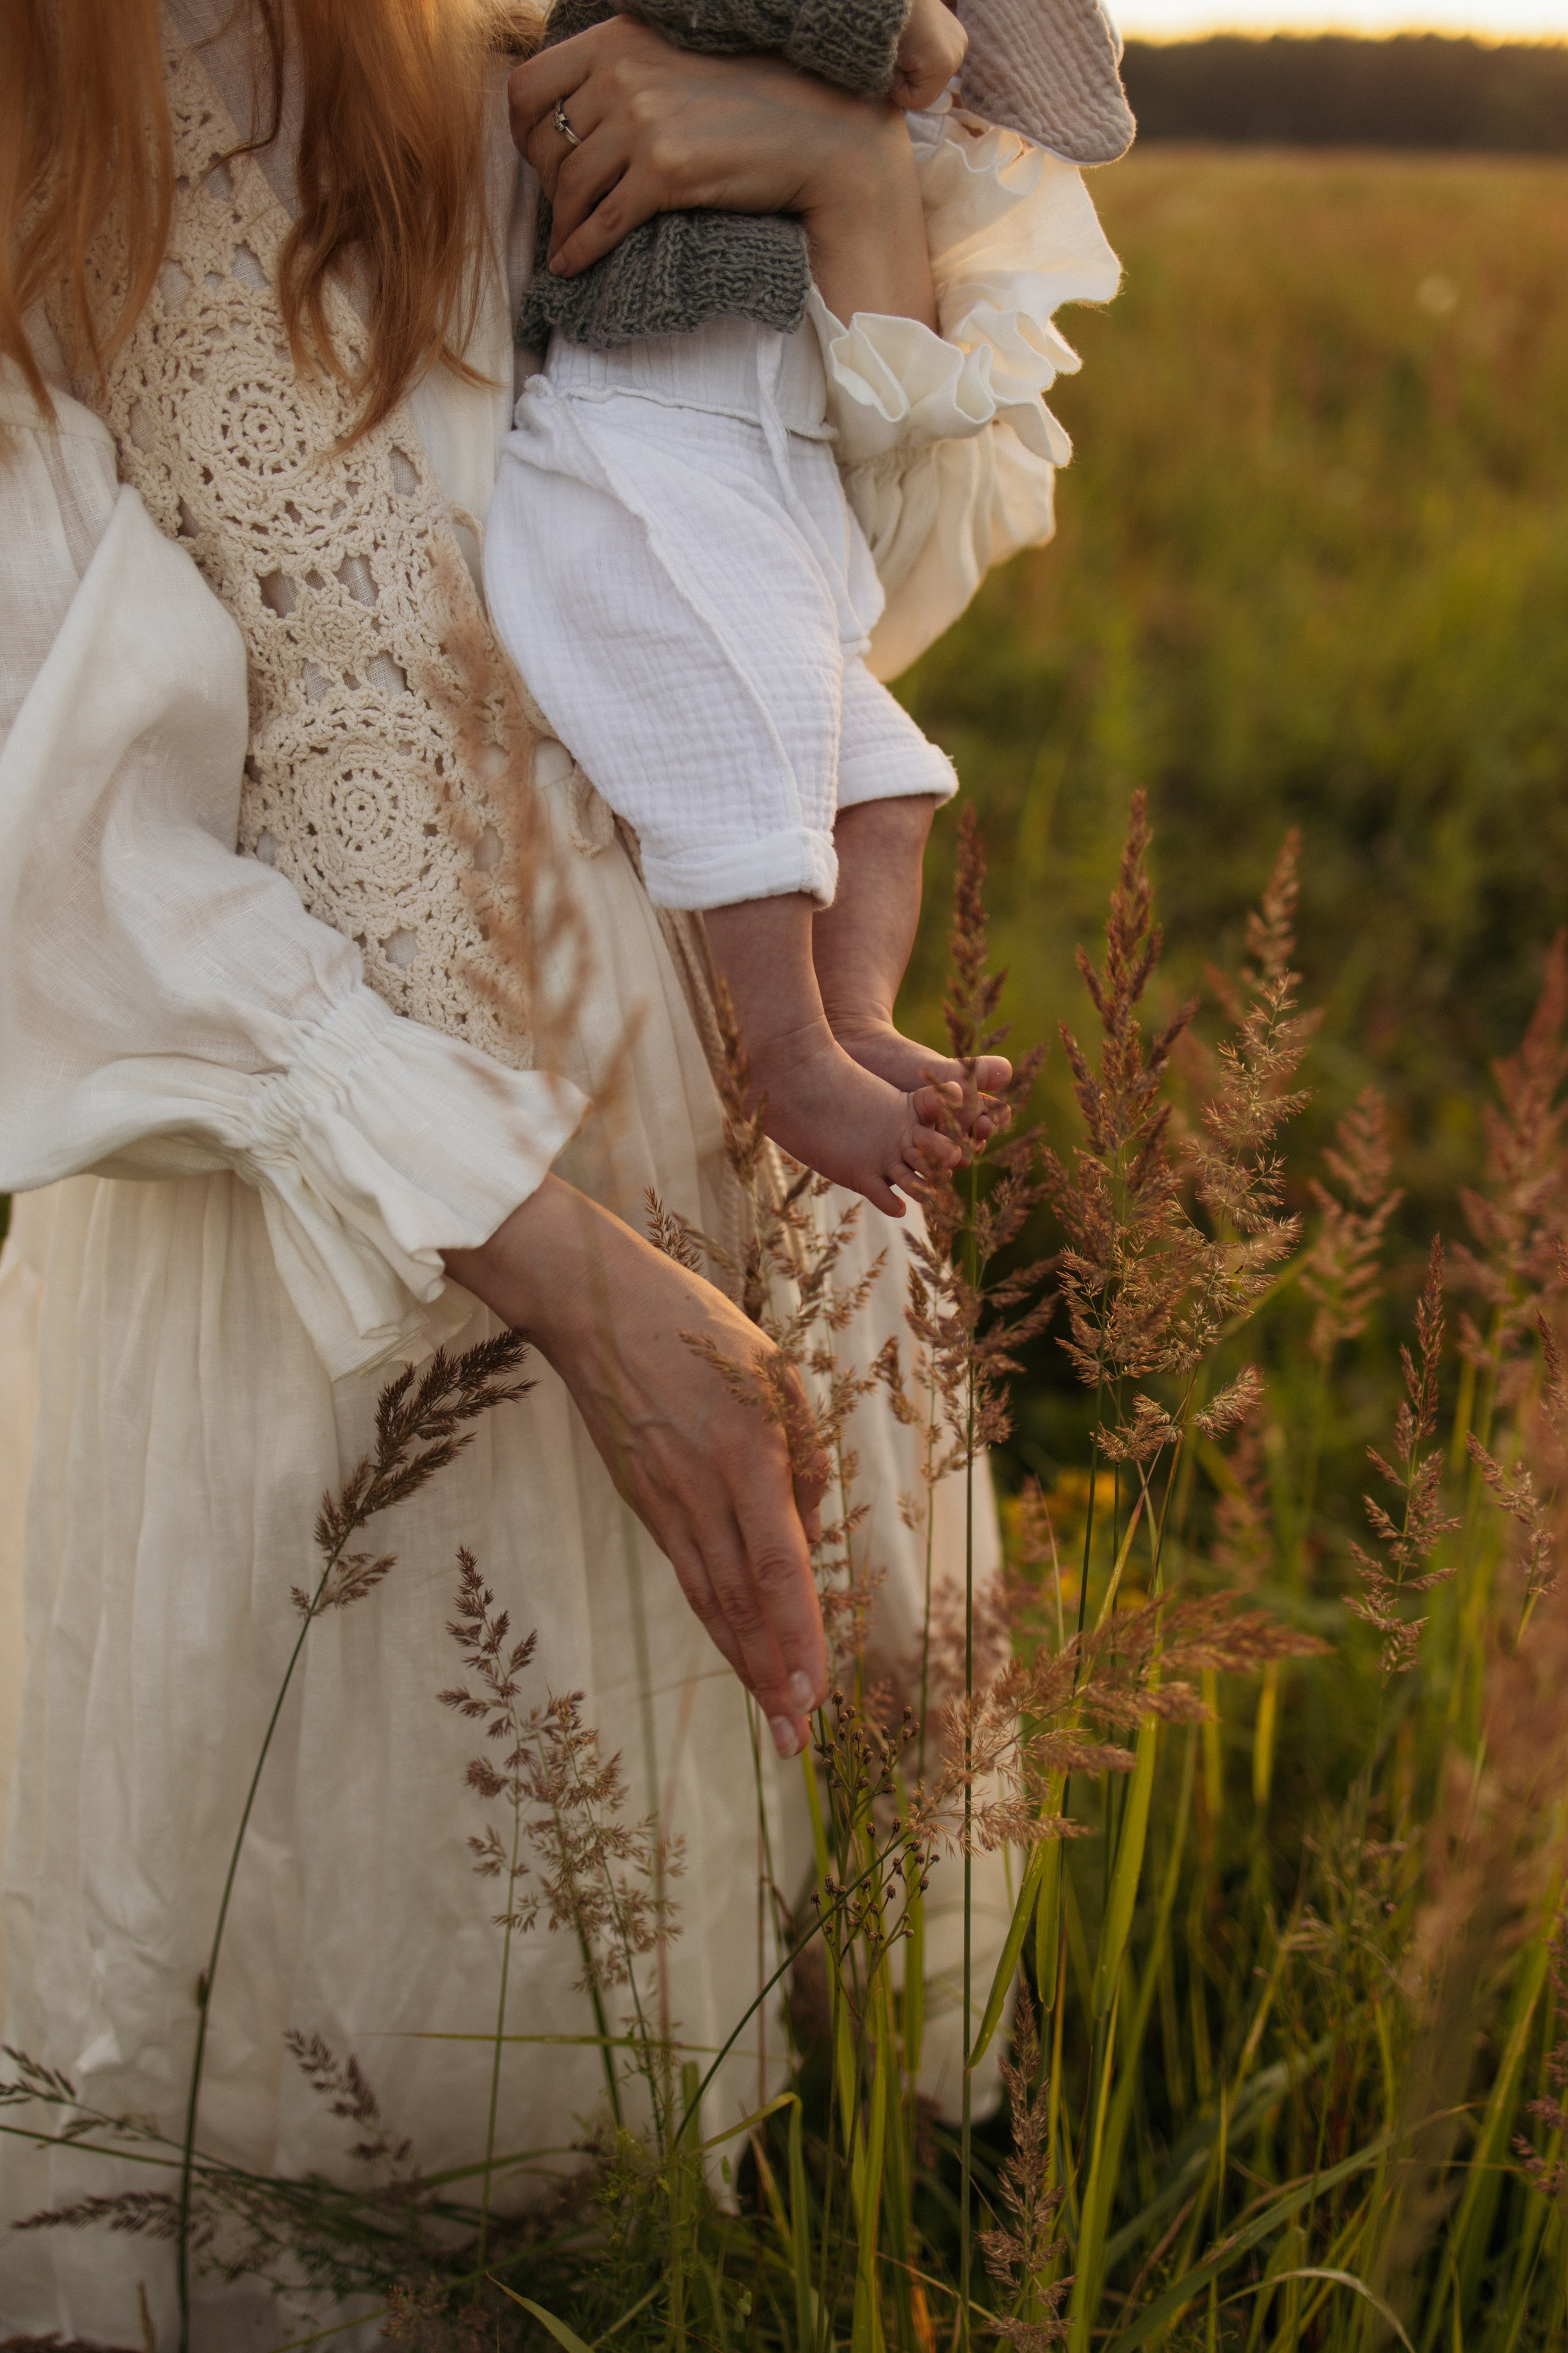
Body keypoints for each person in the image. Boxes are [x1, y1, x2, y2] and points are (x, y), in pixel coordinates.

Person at [0, 0, 1127, 2342]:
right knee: (396, 2141)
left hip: (743, 1126)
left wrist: (851, 183)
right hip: (326, 1246)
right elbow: (61, 837)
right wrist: (572, 1275)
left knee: (730, 2159)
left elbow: (837, 587)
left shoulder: (528, 28)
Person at [485, 0, 1070, 1214]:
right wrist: (892, 29)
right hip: (645, 440)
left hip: (774, 459)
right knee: (744, 755)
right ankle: (784, 1055)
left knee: (889, 781)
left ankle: (850, 1016)